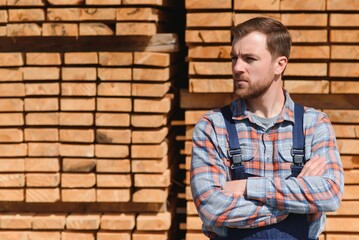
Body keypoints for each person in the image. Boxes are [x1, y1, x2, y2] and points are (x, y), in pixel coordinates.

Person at [190, 17, 344, 240]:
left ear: (279, 64)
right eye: (234, 58)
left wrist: (248, 187)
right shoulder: (213, 126)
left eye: (249, 59)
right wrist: (295, 199)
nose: (237, 68)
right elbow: (211, 207)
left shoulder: (314, 124)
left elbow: (329, 194)